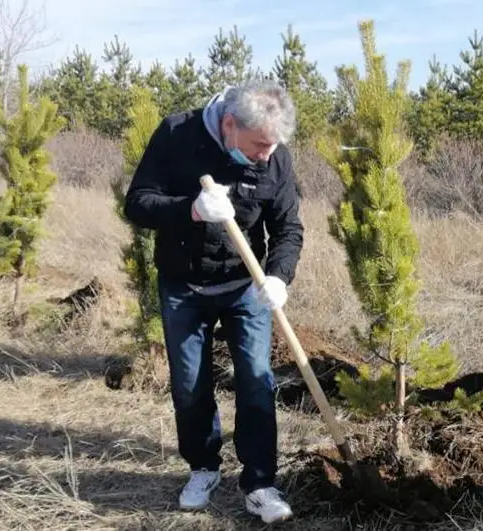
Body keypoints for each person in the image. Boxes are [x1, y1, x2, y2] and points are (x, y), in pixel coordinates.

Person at [123, 79, 304, 523]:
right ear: (229, 124)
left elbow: (288, 229)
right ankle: (203, 467)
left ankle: (260, 482)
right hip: (183, 285)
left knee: (257, 380)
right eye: (259, 144)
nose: (266, 154)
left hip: (246, 286)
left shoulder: (276, 157)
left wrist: (278, 277)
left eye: (273, 145)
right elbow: (138, 204)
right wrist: (190, 209)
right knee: (190, 383)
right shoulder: (176, 134)